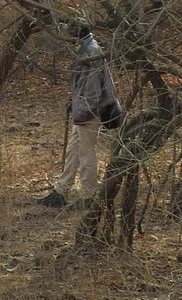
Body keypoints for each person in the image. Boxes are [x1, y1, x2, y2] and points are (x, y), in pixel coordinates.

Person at [41, 21, 122, 207]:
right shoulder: (85, 49)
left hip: (89, 112)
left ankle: (88, 196)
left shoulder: (92, 52)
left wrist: (83, 111)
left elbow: (93, 90)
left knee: (86, 153)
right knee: (73, 151)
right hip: (83, 109)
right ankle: (60, 191)